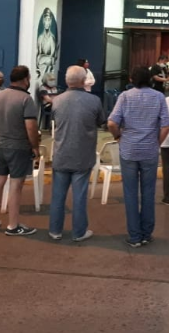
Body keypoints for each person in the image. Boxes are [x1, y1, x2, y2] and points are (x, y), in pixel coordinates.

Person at [108, 66, 169, 247]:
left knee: (130, 193)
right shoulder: (159, 97)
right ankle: (146, 233)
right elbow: (166, 125)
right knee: (148, 192)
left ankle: (134, 236)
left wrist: (118, 136)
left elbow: (112, 122)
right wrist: (157, 143)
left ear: (131, 79)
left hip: (128, 150)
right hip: (149, 151)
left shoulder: (124, 97)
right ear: (150, 79)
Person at [48, 65, 106, 242]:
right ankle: (79, 232)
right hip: (83, 155)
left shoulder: (57, 100)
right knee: (79, 196)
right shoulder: (94, 101)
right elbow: (101, 121)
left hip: (61, 153)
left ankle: (55, 230)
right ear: (83, 81)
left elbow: (55, 120)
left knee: (58, 195)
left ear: (66, 81)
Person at [0, 65, 40, 237]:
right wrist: (35, 147)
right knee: (16, 186)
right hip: (18, 147)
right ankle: (13, 225)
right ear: (25, 79)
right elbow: (30, 127)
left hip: (0, 144)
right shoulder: (25, 99)